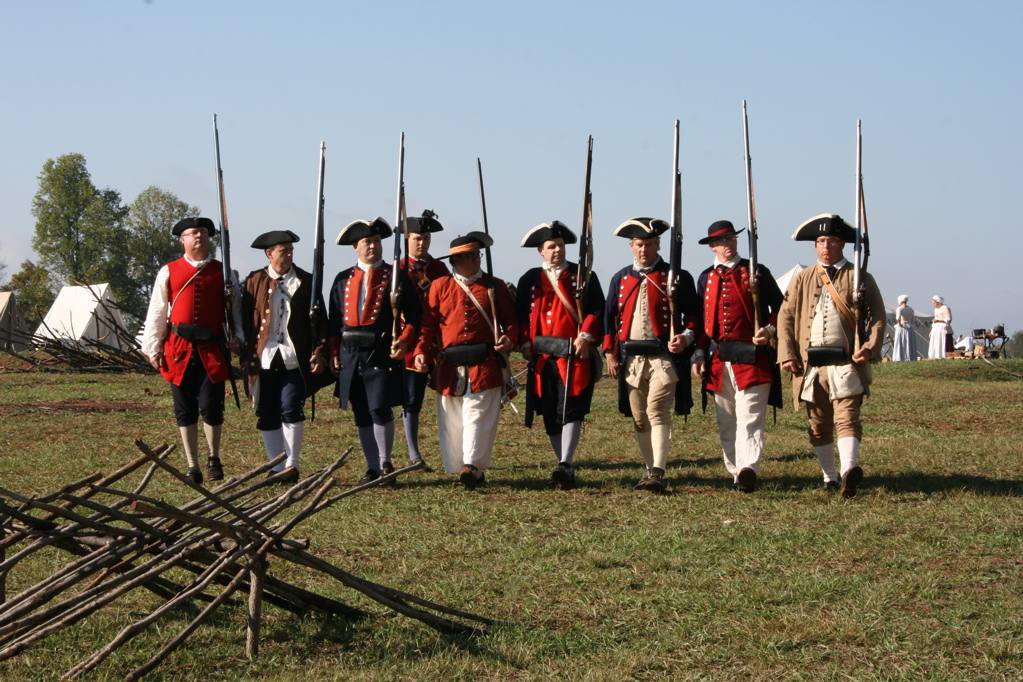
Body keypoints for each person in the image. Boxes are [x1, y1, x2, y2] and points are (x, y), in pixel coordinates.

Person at [776, 214, 885, 497]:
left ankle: (849, 471)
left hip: (847, 363)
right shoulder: (803, 278)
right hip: (811, 366)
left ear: (843, 244)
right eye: (821, 241)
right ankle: (830, 477)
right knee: (819, 423)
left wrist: (870, 348)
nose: (826, 246)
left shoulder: (859, 276)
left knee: (847, 418)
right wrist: (787, 354)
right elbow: (785, 317)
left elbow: (878, 317)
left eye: (832, 240)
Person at [413, 232, 519, 490]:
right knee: (454, 417)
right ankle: (461, 466)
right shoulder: (439, 286)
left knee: (477, 415)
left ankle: (472, 466)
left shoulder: (496, 286)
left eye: (477, 255)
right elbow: (428, 325)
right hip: (450, 365)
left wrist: (509, 339)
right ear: (455, 260)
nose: (475, 260)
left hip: (485, 363)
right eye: (469, 256)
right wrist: (420, 351)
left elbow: (512, 322)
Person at [140, 217, 241, 485]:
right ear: (183, 239)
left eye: (205, 232)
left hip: (212, 347)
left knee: (212, 407)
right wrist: (153, 347)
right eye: (194, 233)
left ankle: (213, 458)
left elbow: (236, 311)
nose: (200, 236)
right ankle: (192, 464)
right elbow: (158, 311)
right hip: (178, 348)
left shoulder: (224, 272)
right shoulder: (168, 271)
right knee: (184, 410)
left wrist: (238, 336)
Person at [602, 217, 699, 494]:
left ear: (658, 244)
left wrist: (686, 337)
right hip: (631, 359)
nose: (644, 250)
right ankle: (648, 469)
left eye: (650, 244)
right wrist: (610, 352)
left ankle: (658, 470)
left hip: (663, 359)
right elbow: (610, 318)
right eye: (639, 245)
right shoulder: (620, 278)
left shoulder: (676, 276)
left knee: (657, 410)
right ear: (632, 246)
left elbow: (693, 316)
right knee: (640, 418)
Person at [691, 220, 784, 493]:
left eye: (731, 239)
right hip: (719, 358)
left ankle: (748, 469)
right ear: (712, 247)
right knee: (726, 420)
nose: (728, 244)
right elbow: (700, 320)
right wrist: (699, 353)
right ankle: (735, 471)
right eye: (722, 241)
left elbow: (781, 307)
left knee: (751, 417)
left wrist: (768, 330)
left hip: (753, 355)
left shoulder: (756, 271)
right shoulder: (705, 277)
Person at [328, 218, 421, 485]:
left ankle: (385, 464)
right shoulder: (342, 278)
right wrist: (334, 351)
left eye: (377, 241)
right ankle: (372, 467)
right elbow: (334, 320)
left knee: (380, 409)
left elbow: (415, 313)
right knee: (361, 411)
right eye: (367, 242)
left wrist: (404, 340)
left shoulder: (396, 276)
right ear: (356, 246)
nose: (373, 246)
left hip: (380, 351)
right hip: (350, 353)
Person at [516, 221, 605, 490]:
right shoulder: (529, 279)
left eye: (561, 246)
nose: (557, 250)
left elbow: (597, 309)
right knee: (550, 414)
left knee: (571, 410)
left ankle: (566, 462)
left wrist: (585, 335)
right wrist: (523, 342)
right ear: (540, 251)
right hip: (543, 358)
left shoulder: (584, 275)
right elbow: (521, 316)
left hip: (573, 356)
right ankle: (563, 465)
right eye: (551, 246)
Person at [240, 230, 333, 483]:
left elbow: (320, 323)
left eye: (291, 250)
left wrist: (319, 353)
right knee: (267, 411)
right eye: (284, 250)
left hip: (294, 357)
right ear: (269, 254)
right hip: (265, 357)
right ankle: (277, 466)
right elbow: (246, 320)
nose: (289, 254)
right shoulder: (254, 281)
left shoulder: (307, 280)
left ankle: (292, 464)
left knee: (291, 407)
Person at [398, 210, 449, 470]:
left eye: (426, 238)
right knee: (412, 399)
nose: (422, 243)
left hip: (439, 342)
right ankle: (414, 454)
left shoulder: (439, 268)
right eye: (417, 238)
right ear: (407, 239)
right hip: (410, 341)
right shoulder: (398, 269)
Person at [892, 295, 917, 362]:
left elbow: (898, 318)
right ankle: (910, 356)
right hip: (909, 327)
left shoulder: (900, 308)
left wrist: (899, 324)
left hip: (902, 327)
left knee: (901, 342)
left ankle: (900, 357)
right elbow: (912, 319)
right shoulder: (911, 309)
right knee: (908, 342)